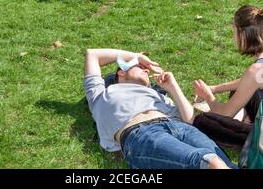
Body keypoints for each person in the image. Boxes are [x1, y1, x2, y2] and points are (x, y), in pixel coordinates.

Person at [84, 48, 235, 169]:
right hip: (141, 133)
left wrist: (172, 87)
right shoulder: (101, 95)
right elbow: (92, 54)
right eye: (140, 67)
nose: (147, 70)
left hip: (181, 127)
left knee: (226, 165)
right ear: (121, 72)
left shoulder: (159, 96)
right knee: (207, 162)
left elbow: (190, 120)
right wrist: (137, 56)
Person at [194, 5, 263, 124]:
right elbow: (250, 83)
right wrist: (215, 88)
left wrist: (208, 96)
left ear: (244, 35)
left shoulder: (256, 71)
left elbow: (224, 114)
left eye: (234, 31)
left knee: (203, 122)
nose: (233, 37)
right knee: (239, 92)